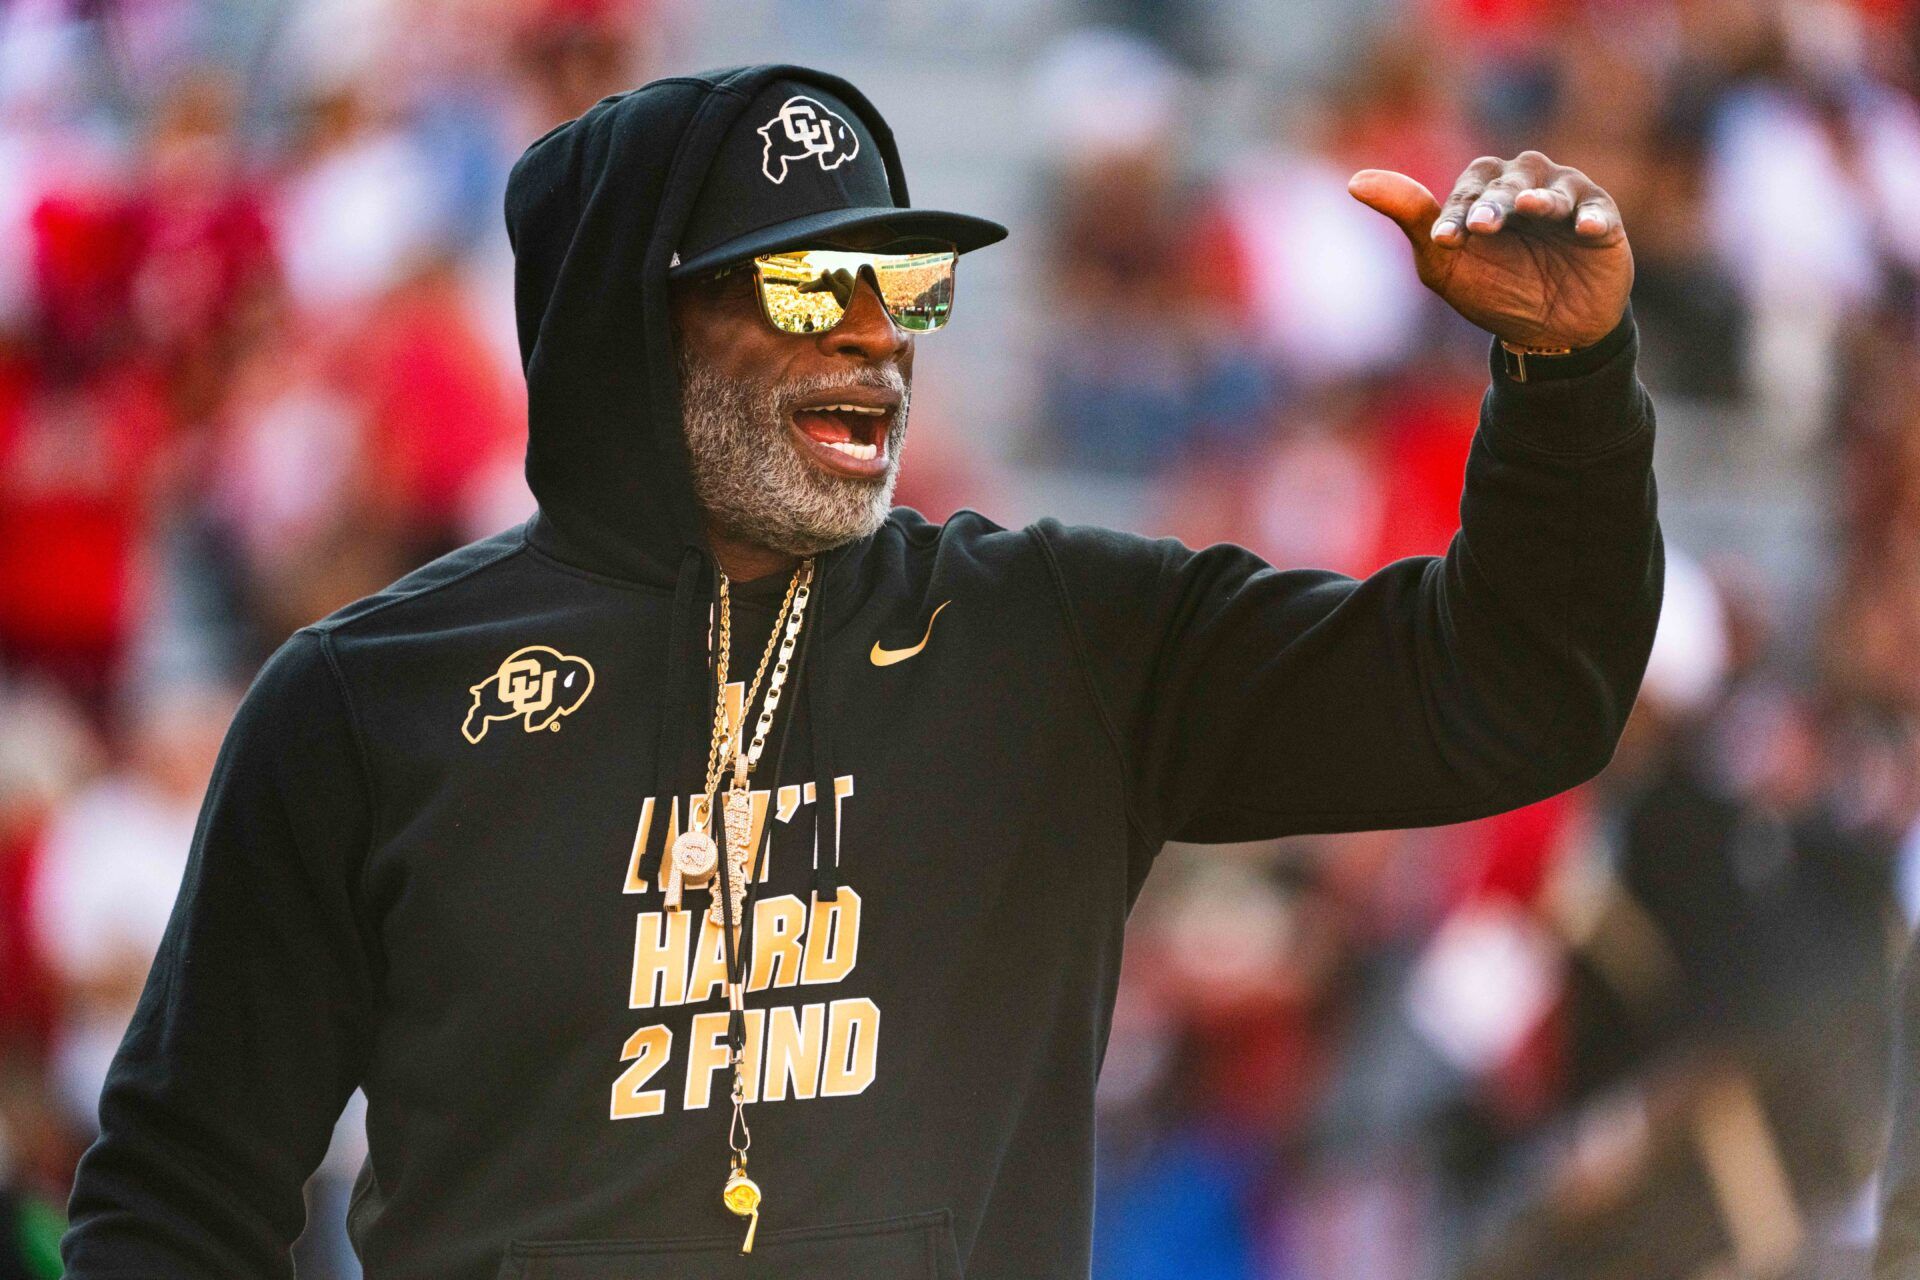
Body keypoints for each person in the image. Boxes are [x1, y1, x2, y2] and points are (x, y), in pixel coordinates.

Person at [58, 62, 1662, 1278]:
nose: (878, 340)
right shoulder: (367, 702)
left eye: (907, 288)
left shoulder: (1061, 640)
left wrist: (1566, 380)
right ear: (642, 326)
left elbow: (1515, 688)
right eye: (815, 285)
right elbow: (177, 1201)